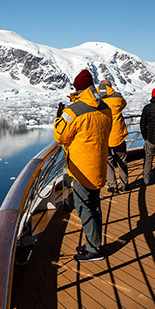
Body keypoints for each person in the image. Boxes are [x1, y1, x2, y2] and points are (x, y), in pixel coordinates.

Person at [54, 69, 112, 262]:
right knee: (95, 206)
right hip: (98, 166)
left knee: (84, 207)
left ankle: (94, 250)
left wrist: (59, 118)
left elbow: (60, 136)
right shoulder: (105, 107)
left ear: (77, 87)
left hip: (81, 169)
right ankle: (93, 243)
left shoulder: (74, 111)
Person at [98, 80, 128, 194]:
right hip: (118, 134)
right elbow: (123, 104)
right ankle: (125, 184)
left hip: (103, 135)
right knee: (122, 160)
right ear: (110, 87)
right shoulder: (117, 97)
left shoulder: (94, 99)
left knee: (108, 161)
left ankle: (112, 185)